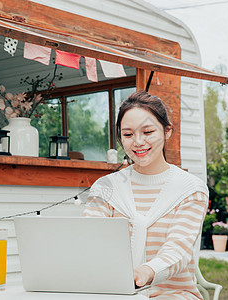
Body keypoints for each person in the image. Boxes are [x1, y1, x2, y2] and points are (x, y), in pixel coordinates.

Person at [83, 91, 209, 299]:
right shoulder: (105, 188)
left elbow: (177, 250)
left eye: (148, 132)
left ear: (167, 131)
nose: (138, 142)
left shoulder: (190, 189)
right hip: (114, 294)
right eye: (128, 134)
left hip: (173, 294)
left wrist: (145, 272)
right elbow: (90, 243)